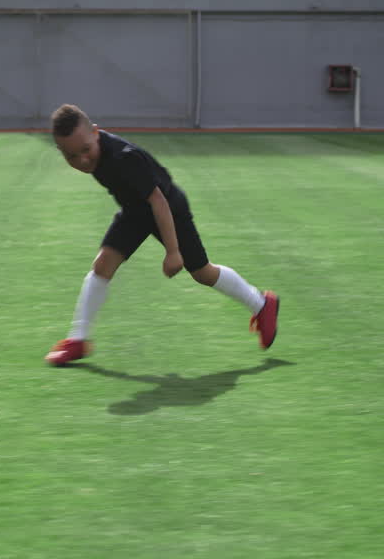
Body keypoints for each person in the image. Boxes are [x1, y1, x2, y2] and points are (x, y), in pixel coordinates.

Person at [45, 104, 279, 366]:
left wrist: (173, 251)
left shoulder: (124, 157)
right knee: (102, 265)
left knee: (202, 272)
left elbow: (158, 201)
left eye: (86, 150)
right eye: (71, 156)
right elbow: (138, 199)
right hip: (136, 211)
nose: (82, 161)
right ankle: (78, 340)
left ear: (96, 133)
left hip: (168, 209)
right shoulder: (89, 147)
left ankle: (261, 304)